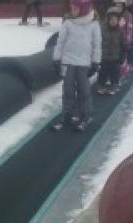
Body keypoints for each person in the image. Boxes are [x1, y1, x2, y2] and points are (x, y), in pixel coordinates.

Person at [52, 0, 101, 131]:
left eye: (75, 8)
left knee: (83, 91)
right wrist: (56, 59)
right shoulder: (68, 22)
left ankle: (85, 115)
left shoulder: (93, 24)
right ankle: (67, 115)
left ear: (83, 8)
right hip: (68, 62)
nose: (72, 10)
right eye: (71, 7)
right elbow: (60, 42)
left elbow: (97, 44)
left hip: (84, 63)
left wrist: (96, 62)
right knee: (67, 90)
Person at [97, 10, 123, 94]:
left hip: (115, 56)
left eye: (115, 20)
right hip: (104, 56)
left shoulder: (120, 31)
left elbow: (123, 44)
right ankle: (102, 85)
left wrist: (122, 55)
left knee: (114, 72)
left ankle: (114, 85)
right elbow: (98, 41)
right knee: (103, 71)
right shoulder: (103, 29)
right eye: (111, 19)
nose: (113, 21)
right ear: (108, 20)